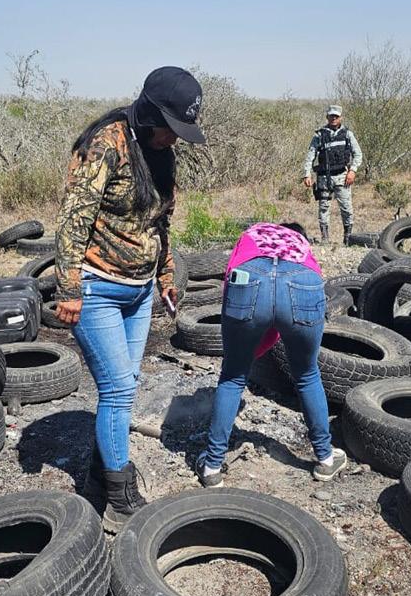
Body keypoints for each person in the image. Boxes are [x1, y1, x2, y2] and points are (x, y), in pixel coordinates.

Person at [54, 66, 205, 532]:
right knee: (118, 389)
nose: (173, 138)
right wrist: (68, 288)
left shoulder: (161, 154)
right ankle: (120, 499)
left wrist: (166, 273)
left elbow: (160, 222)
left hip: (139, 292)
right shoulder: (107, 144)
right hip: (97, 286)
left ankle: (99, 480)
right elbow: (74, 218)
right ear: (149, 113)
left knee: (126, 385)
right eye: (169, 128)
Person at [195, 222, 347, 487]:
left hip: (249, 277)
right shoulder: (301, 244)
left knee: (233, 376)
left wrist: (246, 352)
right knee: (307, 374)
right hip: (303, 280)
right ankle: (325, 458)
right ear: (297, 233)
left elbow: (230, 281)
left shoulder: (253, 233)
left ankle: (212, 467)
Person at [302, 105, 363, 244]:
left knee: (346, 208)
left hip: (342, 177)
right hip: (324, 178)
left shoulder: (347, 134)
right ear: (327, 117)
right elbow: (310, 156)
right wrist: (307, 174)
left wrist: (353, 170)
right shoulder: (319, 135)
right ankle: (325, 238)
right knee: (323, 208)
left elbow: (358, 154)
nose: (333, 118)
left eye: (336, 116)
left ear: (341, 117)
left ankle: (348, 239)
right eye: (331, 116)